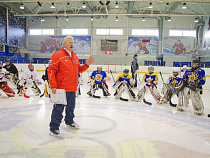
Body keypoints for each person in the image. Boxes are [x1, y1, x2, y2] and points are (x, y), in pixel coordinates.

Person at [48, 36, 95, 137]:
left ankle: (69, 121)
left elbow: (78, 70)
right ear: (64, 44)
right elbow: (51, 70)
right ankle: (54, 128)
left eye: (72, 42)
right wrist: (53, 85)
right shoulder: (58, 55)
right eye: (69, 42)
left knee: (70, 108)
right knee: (58, 109)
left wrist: (86, 65)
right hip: (61, 88)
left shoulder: (74, 56)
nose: (71, 44)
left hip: (72, 88)